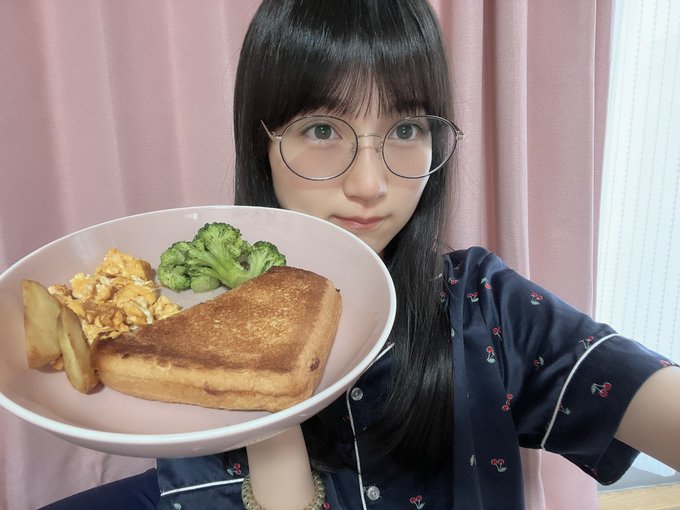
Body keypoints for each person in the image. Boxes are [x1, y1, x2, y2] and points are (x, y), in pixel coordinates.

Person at [41, 1, 680, 509]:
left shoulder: (486, 304)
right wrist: (268, 386)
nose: (370, 184)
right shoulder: (188, 337)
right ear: (261, 143)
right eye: (322, 129)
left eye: (405, 129)